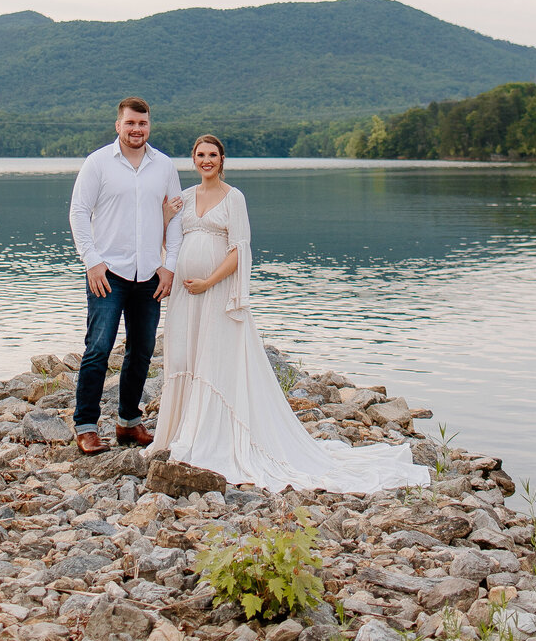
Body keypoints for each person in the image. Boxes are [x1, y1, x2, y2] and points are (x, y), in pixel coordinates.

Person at [151, 134, 430, 494]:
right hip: (186, 297)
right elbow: (169, 243)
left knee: (214, 361)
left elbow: (239, 250)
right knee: (186, 358)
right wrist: (164, 216)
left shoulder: (233, 197)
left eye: (213, 155)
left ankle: (213, 437)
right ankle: (180, 431)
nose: (207, 161)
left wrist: (208, 281)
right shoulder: (185, 199)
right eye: (200, 155)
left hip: (215, 292)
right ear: (193, 159)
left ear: (222, 160)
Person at [69, 97, 183, 455]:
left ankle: (128, 423)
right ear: (118, 125)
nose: (137, 130)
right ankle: (86, 427)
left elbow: (177, 218)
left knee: (142, 349)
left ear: (150, 126)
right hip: (109, 272)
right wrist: (92, 261)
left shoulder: (163, 165)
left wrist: (170, 266)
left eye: (143, 124)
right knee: (99, 348)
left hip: (150, 272)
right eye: (130, 123)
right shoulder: (98, 163)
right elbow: (79, 212)